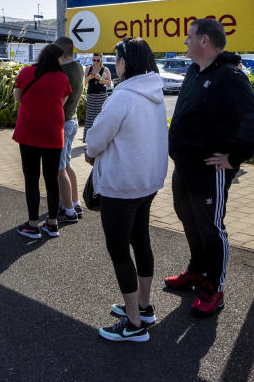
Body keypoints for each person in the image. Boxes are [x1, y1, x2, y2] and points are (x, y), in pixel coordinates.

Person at [166, 18, 254, 317]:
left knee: (211, 227)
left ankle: (214, 287)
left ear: (205, 41)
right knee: (189, 219)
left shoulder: (229, 76)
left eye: (189, 37)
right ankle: (197, 271)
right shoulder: (194, 71)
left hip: (211, 169)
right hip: (185, 166)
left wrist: (233, 158)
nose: (185, 41)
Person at [85, 38, 168, 343]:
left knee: (119, 251)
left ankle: (133, 324)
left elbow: (95, 141)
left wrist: (91, 153)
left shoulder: (122, 97)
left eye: (117, 58)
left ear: (125, 62)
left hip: (121, 186)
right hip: (147, 182)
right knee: (141, 241)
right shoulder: (154, 91)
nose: (115, 64)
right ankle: (143, 308)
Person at [12, 44, 71, 239]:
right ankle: (52, 224)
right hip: (53, 133)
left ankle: (33, 225)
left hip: (29, 131)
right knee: (51, 179)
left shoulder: (27, 72)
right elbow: (62, 100)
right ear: (57, 59)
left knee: (31, 179)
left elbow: (18, 96)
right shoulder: (62, 78)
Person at [53, 37, 85, 224]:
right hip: (73, 121)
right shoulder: (79, 67)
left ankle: (68, 210)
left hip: (63, 123)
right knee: (67, 164)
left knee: (59, 170)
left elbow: (57, 99)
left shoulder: (63, 71)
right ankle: (75, 202)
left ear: (61, 53)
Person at [83, 53, 113, 141]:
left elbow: (109, 83)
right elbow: (83, 83)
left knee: (101, 117)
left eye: (97, 60)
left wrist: (100, 79)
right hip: (91, 95)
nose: (95, 62)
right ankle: (88, 139)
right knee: (90, 117)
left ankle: (101, 139)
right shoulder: (88, 68)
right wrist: (89, 77)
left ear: (101, 60)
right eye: (94, 60)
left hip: (101, 95)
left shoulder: (105, 69)